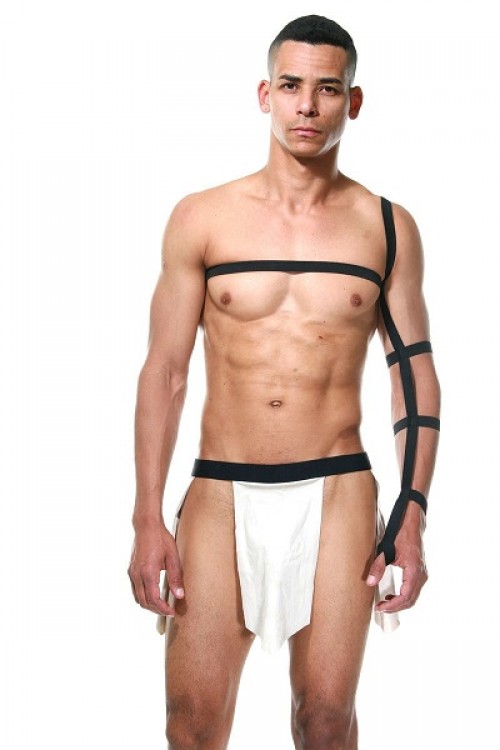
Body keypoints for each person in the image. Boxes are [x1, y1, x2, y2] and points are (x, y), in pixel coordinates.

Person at [128, 14, 440, 750]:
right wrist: (146, 517)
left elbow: (413, 375)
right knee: (192, 724)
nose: (307, 106)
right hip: (221, 486)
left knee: (324, 720)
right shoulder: (202, 217)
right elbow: (165, 372)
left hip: (338, 487)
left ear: (352, 102)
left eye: (327, 89)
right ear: (265, 94)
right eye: (292, 86)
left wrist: (414, 513)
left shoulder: (385, 226)